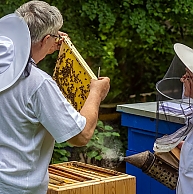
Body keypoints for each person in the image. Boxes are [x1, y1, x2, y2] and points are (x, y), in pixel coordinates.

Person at [0, 1, 110, 193]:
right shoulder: (38, 84)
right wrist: (96, 93)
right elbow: (80, 136)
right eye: (54, 36)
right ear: (44, 40)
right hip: (18, 188)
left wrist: (48, 43)